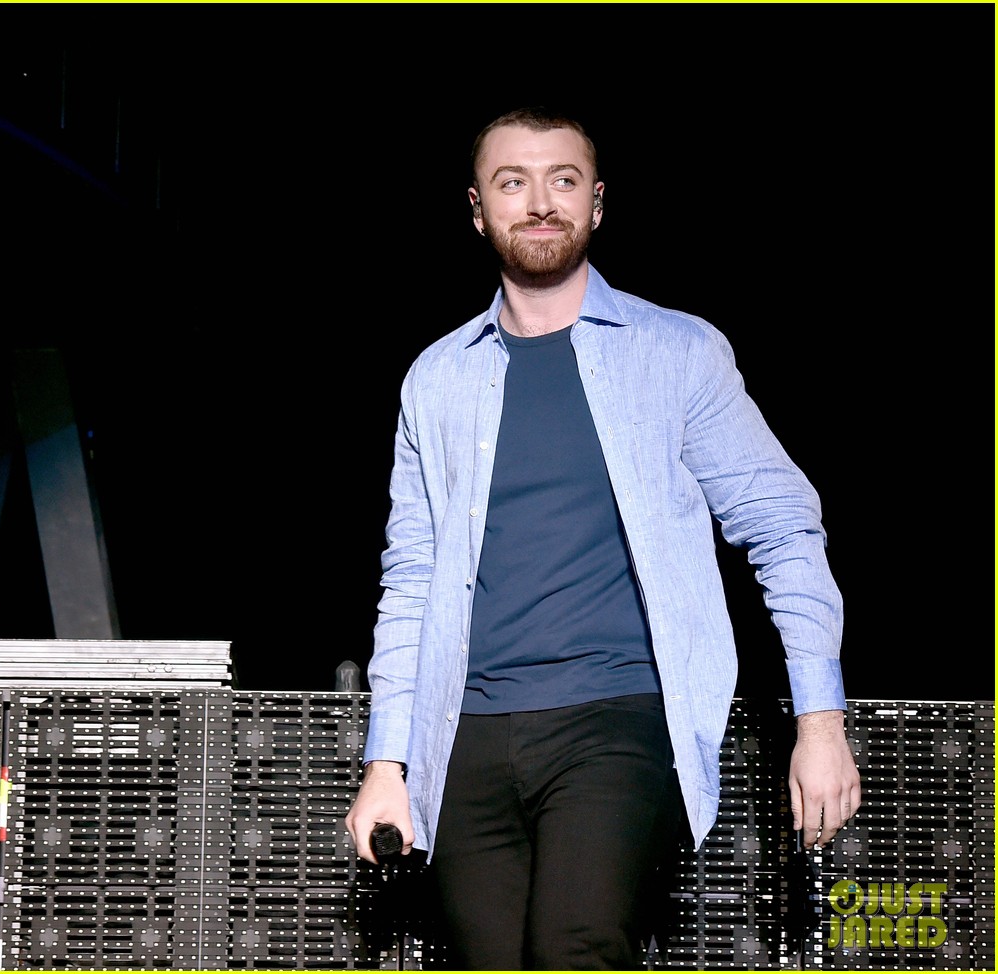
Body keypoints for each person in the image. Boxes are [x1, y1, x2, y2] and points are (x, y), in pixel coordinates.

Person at [344, 107, 862, 970]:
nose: (540, 201)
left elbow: (782, 523)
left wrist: (821, 718)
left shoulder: (678, 354)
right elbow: (412, 578)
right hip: (464, 729)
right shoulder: (437, 378)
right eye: (514, 181)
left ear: (597, 203)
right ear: (478, 209)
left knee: (576, 944)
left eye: (564, 180)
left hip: (616, 717)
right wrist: (387, 761)